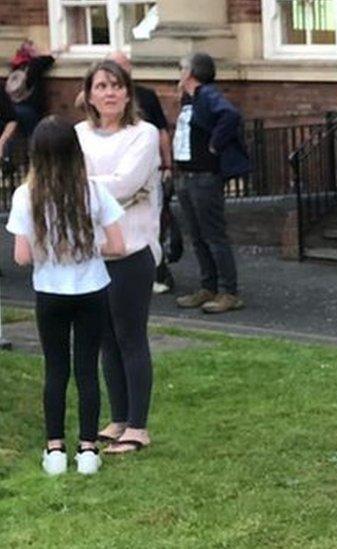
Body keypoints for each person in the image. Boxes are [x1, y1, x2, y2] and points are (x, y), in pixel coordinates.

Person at [7, 116, 126, 475]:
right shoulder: (93, 191)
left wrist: (50, 251)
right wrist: (86, 248)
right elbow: (119, 245)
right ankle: (88, 449)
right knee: (87, 370)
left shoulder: (25, 195)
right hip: (92, 288)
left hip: (50, 291)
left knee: (55, 369)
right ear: (76, 152)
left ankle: (55, 449)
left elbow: (22, 256)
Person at [76, 59, 162, 454]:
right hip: (92, 251)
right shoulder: (78, 135)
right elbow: (70, 181)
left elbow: (126, 182)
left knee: (130, 336)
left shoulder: (142, 135)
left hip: (131, 249)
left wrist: (86, 188)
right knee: (105, 339)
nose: (109, 93)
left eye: (116, 85)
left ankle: (138, 426)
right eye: (101, 86)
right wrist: (102, 189)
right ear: (89, 94)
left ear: (127, 92)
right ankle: (119, 416)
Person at [172, 53, 249, 313]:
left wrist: (215, 144)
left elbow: (230, 116)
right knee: (197, 235)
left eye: (182, 68)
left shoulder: (207, 94)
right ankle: (209, 286)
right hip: (186, 174)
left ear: (192, 72)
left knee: (214, 235)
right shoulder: (189, 99)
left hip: (204, 176)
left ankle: (229, 291)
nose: (179, 72)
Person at [105, 51, 178, 295]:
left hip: (145, 173)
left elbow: (161, 131)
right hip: (112, 172)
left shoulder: (145, 97)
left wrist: (168, 165)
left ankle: (158, 271)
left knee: (150, 221)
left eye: (121, 67)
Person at [6, 40, 56, 139]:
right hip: (29, 108)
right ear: (32, 52)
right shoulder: (34, 65)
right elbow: (49, 59)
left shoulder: (15, 66)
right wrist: (43, 53)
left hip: (14, 107)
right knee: (33, 137)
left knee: (17, 138)